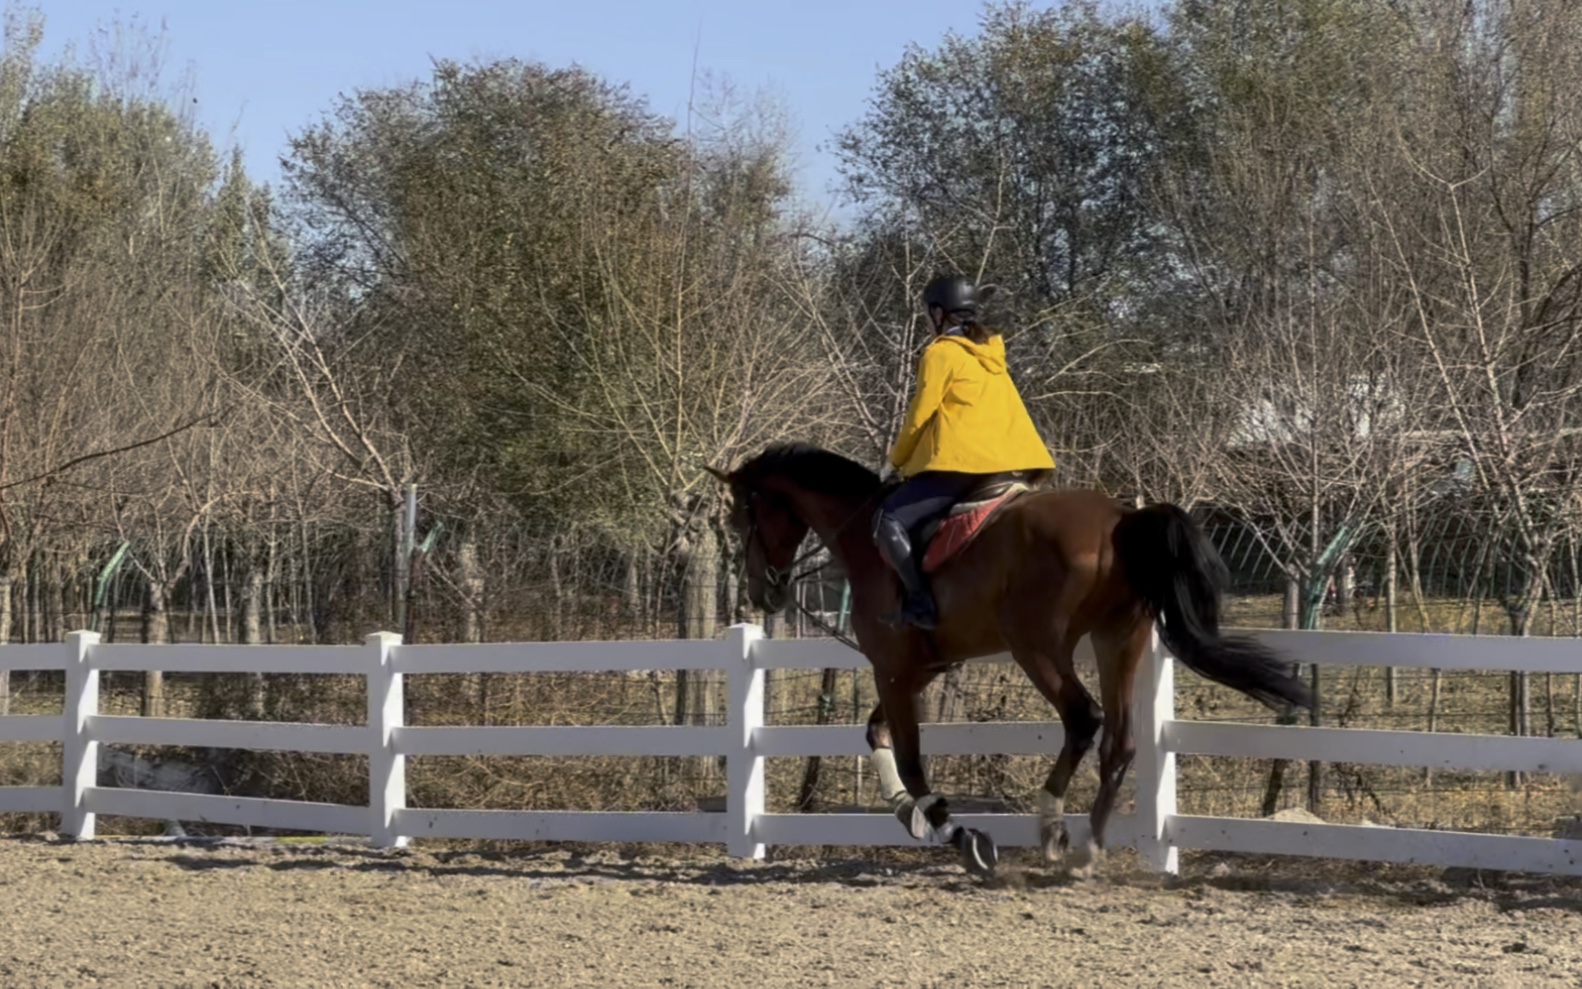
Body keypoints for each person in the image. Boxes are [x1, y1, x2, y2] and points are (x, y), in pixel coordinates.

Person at [874, 275, 1055, 630]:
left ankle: (920, 604)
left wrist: (895, 462)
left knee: (887, 521)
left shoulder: (941, 353)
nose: (929, 322)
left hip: (964, 467)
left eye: (929, 314)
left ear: (940, 313)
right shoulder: (991, 354)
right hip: (1016, 465)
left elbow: (920, 415)